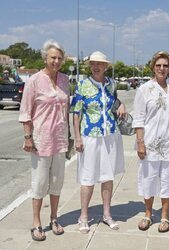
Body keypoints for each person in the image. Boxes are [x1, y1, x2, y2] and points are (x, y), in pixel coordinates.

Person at [132, 51, 169, 232]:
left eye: (165, 65)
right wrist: (140, 142)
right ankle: (148, 214)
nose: (162, 68)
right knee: (148, 179)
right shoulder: (144, 89)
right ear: (153, 67)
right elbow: (139, 118)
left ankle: (165, 216)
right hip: (150, 143)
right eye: (158, 65)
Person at [19, 39, 70, 241]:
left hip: (60, 140)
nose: (56, 61)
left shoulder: (65, 80)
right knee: (39, 183)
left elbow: (67, 109)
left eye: (59, 58)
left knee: (57, 182)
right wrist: (28, 137)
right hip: (40, 141)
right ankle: (36, 222)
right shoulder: (34, 81)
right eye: (52, 58)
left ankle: (54, 218)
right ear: (45, 58)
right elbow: (25, 112)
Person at [71, 51, 126, 234]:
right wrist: (77, 137)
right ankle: (84, 216)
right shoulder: (83, 85)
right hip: (90, 136)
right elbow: (76, 112)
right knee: (88, 178)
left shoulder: (112, 84)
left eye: (100, 64)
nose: (96, 66)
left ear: (106, 66)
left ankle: (107, 214)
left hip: (110, 134)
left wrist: (122, 105)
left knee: (107, 176)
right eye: (93, 63)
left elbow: (113, 101)